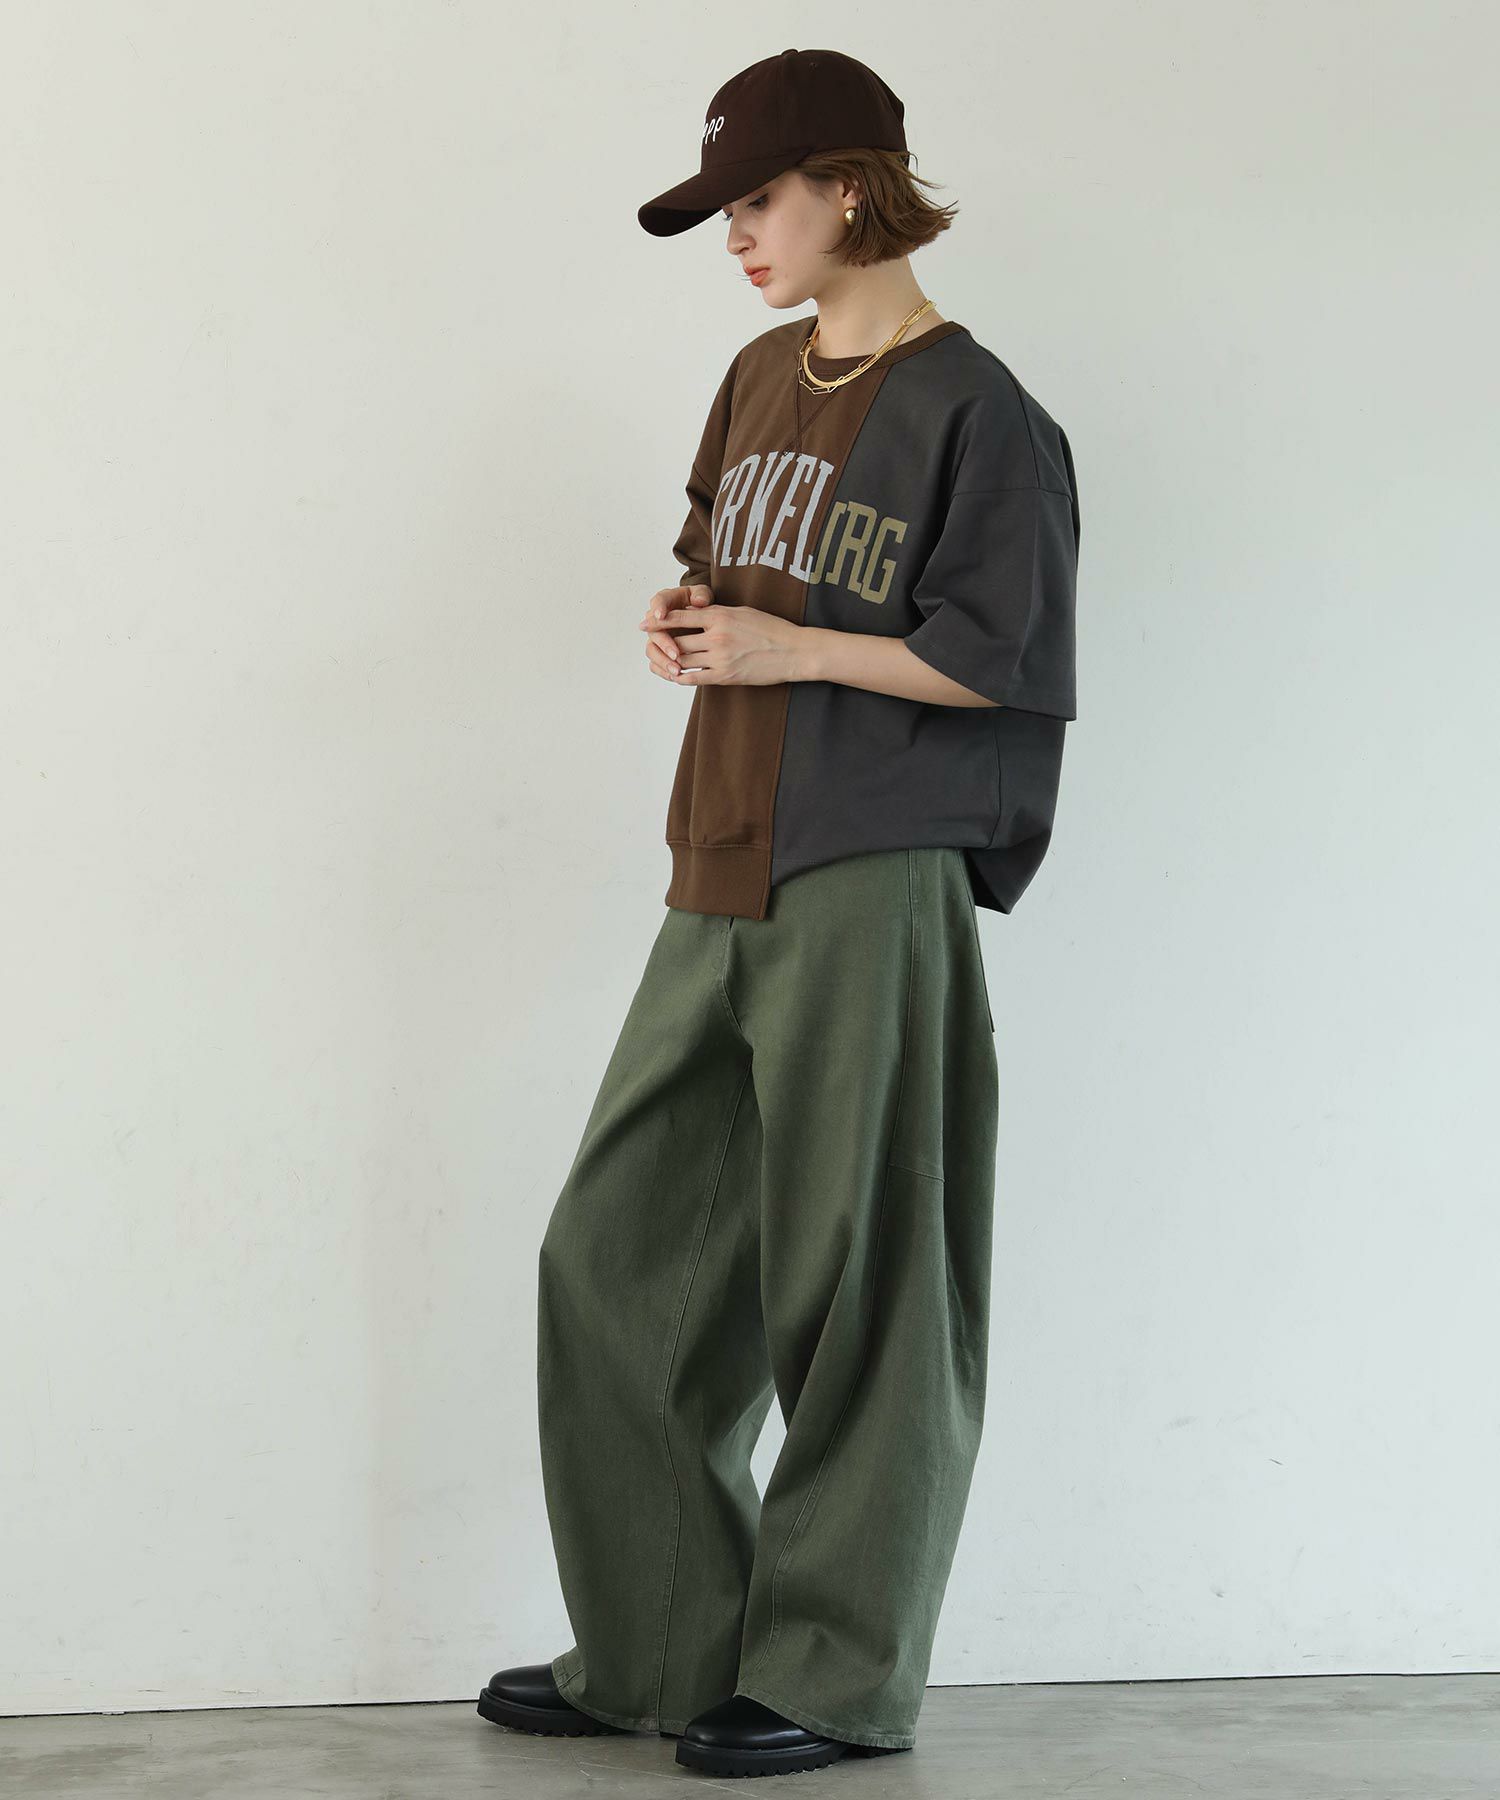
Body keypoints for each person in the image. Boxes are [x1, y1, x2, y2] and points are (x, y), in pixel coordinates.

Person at [477, 46, 1080, 1781]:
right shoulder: (755, 375)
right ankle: (660, 1648)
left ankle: (832, 1675)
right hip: (720, 856)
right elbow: (727, 575)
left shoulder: (980, 410)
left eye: (757, 199)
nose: (738, 236)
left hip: (873, 868)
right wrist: (689, 626)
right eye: (727, 210)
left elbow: (1006, 662)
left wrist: (791, 647)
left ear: (851, 189)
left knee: (864, 1282)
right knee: (614, 1259)